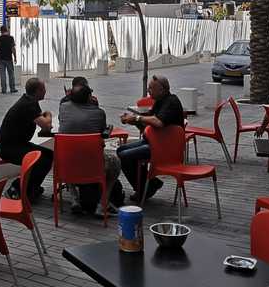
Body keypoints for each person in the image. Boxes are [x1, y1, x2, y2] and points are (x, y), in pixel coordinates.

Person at [116, 75, 186, 203]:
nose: (148, 91)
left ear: (162, 90)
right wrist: (132, 120)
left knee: (125, 156)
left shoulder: (171, 102)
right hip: (155, 141)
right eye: (148, 88)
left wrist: (137, 118)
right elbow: (148, 123)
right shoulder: (160, 101)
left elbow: (158, 122)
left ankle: (145, 188)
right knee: (121, 150)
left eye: (151, 88)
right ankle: (150, 184)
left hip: (165, 147)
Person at [57, 82, 122, 213]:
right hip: (93, 166)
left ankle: (75, 198)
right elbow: (101, 132)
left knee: (67, 155)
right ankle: (103, 204)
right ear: (89, 98)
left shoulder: (63, 108)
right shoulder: (99, 113)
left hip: (66, 164)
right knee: (115, 162)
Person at [0, 78, 56, 201]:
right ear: (38, 91)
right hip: (10, 148)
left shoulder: (30, 101)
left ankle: (31, 188)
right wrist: (49, 114)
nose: (45, 91)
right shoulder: (28, 105)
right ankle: (16, 188)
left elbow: (42, 122)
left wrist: (44, 119)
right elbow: (46, 125)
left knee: (49, 155)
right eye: (44, 89)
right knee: (41, 160)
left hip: (18, 144)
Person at [0, 25, 17, 93]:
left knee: (2, 74)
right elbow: (13, 49)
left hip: (1, 59)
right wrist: (15, 57)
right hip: (8, 58)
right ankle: (12, 89)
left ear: (1, 31)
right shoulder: (10, 38)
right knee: (11, 74)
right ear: (6, 30)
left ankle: (3, 89)